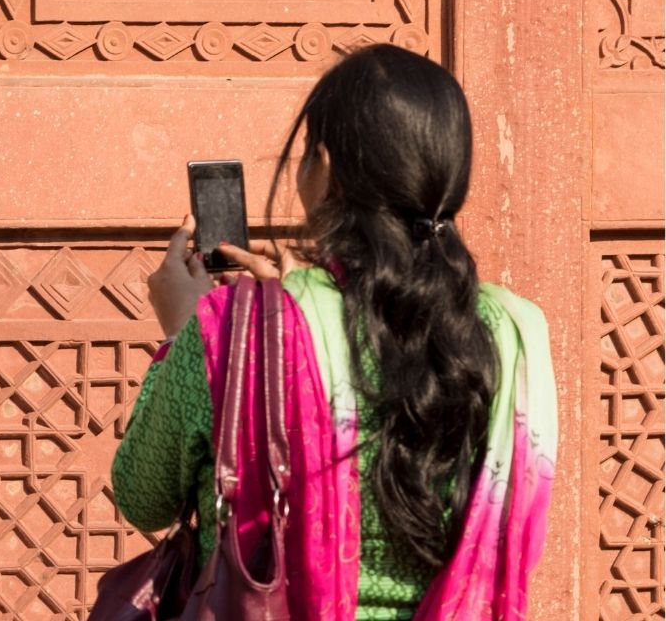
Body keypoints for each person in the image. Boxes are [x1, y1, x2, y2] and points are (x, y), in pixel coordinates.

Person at [114, 44, 557, 619]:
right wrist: (294, 305)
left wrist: (187, 331)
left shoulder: (235, 330)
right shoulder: (511, 332)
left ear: (322, 165)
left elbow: (141, 495)